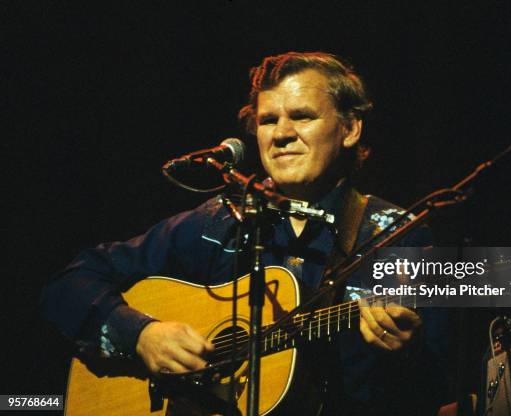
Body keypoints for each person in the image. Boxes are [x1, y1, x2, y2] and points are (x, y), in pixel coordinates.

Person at [42, 52, 448, 415]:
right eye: (268, 120)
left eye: (302, 116)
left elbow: (444, 384)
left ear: (350, 129)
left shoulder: (397, 236)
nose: (281, 133)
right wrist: (141, 334)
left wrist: (407, 353)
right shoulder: (220, 222)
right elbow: (68, 284)